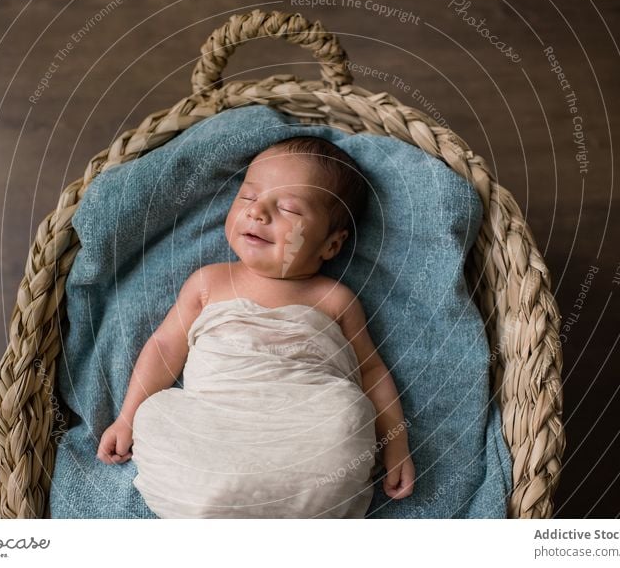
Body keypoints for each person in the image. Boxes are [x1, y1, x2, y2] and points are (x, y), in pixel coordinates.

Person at [97, 135, 415, 517]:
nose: (258, 212)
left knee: (346, 414)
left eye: (289, 209)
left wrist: (396, 442)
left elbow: (370, 371)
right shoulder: (208, 282)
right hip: (216, 423)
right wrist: (128, 417)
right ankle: (217, 508)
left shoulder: (334, 298)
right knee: (158, 415)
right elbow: (166, 347)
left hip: (304, 434)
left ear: (331, 244)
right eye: (247, 197)